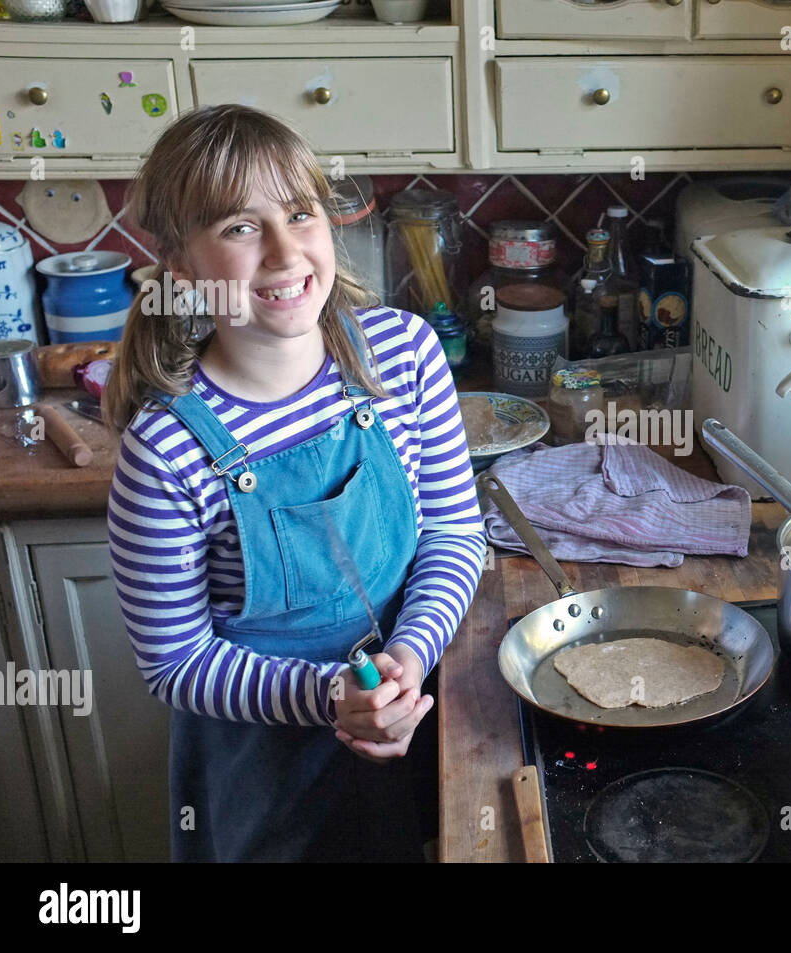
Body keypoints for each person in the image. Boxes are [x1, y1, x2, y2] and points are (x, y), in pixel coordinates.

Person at [104, 104, 486, 862]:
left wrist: (407, 660)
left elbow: (452, 534)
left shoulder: (401, 357)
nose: (284, 253)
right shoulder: (165, 451)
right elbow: (175, 662)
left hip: (416, 720)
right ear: (180, 266)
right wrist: (334, 697)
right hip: (268, 776)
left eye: (299, 212)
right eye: (240, 228)